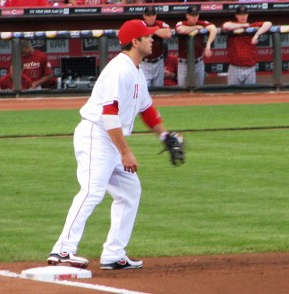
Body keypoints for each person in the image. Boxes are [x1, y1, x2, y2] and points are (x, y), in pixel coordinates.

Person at [47, 19, 178, 270]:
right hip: (97, 135)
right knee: (91, 191)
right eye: (148, 36)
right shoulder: (119, 70)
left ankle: (113, 254)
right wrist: (125, 152)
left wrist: (164, 135)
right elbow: (109, 114)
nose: (153, 39)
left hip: (110, 138)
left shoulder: (136, 70)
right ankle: (63, 250)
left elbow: (147, 108)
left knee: (130, 192)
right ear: (135, 41)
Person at [222, 5, 272, 85]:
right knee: (233, 94)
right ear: (236, 15)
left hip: (250, 68)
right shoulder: (233, 25)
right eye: (241, 14)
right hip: (235, 68)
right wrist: (242, 25)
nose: (243, 16)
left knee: (250, 94)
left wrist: (256, 35)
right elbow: (225, 26)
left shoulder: (251, 26)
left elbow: (268, 24)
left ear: (247, 15)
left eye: (245, 14)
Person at [175, 6, 217, 87]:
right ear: (187, 15)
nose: (194, 17)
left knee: (199, 90)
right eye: (192, 15)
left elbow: (214, 28)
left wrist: (208, 46)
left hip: (198, 62)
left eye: (196, 15)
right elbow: (180, 29)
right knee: (182, 90)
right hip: (184, 64)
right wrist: (196, 27)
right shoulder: (182, 23)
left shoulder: (202, 23)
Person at [139, 6, 172, 87]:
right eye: (148, 15)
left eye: (152, 15)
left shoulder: (160, 23)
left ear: (156, 15)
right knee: (145, 90)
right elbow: (140, 37)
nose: (151, 17)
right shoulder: (140, 24)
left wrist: (152, 30)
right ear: (144, 16)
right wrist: (156, 31)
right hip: (144, 63)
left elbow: (168, 34)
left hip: (158, 62)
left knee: (159, 90)